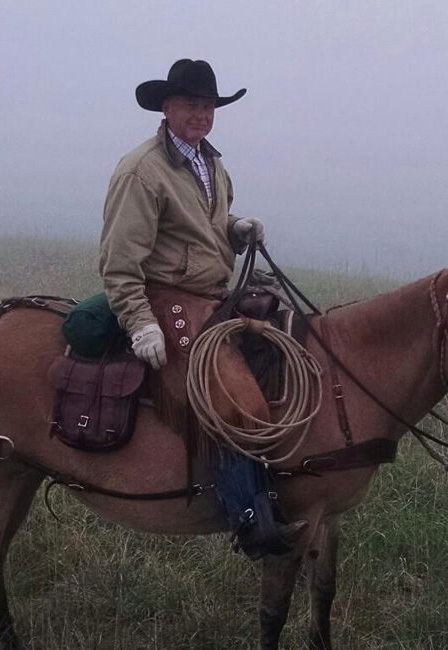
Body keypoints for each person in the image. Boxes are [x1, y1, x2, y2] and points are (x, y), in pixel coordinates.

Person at [98, 58, 307, 559]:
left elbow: (200, 228)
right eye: (192, 105)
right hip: (164, 295)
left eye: (209, 106)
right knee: (229, 397)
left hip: (209, 294)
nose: (203, 114)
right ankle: (249, 517)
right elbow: (119, 261)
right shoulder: (141, 171)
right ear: (168, 108)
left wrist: (233, 230)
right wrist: (139, 321)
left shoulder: (210, 163)